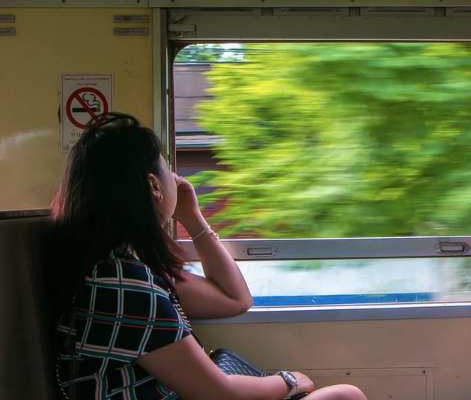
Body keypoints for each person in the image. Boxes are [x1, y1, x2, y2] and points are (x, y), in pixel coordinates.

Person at [50, 112, 367, 400]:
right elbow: (220, 392)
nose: (175, 178)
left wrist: (191, 217)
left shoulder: (120, 267)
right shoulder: (125, 284)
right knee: (345, 396)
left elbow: (235, 299)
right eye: (167, 168)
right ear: (153, 186)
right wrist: (290, 381)